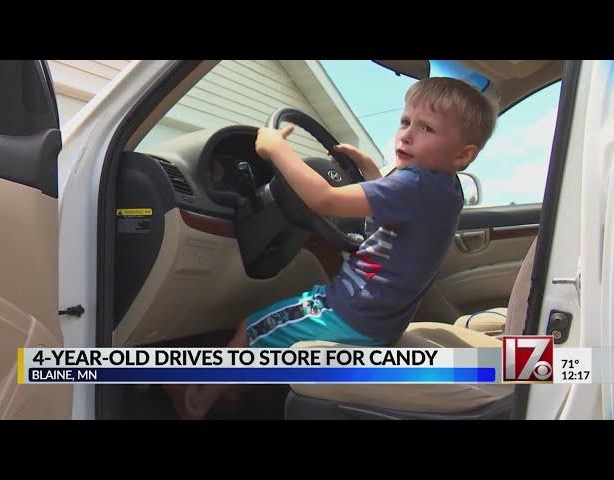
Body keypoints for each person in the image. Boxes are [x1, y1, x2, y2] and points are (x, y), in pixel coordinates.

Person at [164, 77, 498, 419]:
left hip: (350, 315)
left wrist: (276, 151)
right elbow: (391, 213)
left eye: (427, 128)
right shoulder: (444, 189)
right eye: (405, 121)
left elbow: (324, 199)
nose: (407, 134)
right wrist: (368, 169)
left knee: (252, 328)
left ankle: (196, 398)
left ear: (463, 155)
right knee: (278, 326)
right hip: (378, 319)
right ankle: (233, 386)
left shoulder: (413, 184)